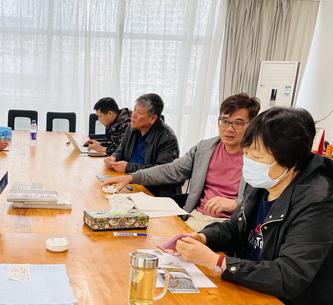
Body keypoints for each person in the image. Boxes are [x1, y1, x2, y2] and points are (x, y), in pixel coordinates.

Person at [173, 107, 333, 305]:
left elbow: (289, 276)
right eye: (246, 154)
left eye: (256, 156)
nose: (248, 162)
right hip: (255, 292)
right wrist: (204, 238)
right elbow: (236, 228)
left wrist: (217, 262)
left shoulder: (320, 204)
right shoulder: (266, 182)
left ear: (290, 160)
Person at [103, 93, 260, 231]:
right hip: (196, 217)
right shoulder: (205, 148)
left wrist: (235, 204)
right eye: (224, 121)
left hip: (230, 223)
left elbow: (264, 201)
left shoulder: (258, 158)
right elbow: (172, 169)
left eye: (238, 123)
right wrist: (132, 177)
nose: (229, 129)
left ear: (251, 125)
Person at [103, 93, 180, 197]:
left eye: (139, 112)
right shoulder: (132, 127)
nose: (133, 115)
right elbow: (120, 150)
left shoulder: (167, 137)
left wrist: (129, 167)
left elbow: (162, 171)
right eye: (134, 109)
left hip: (154, 190)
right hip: (130, 181)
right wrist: (114, 158)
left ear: (153, 118)